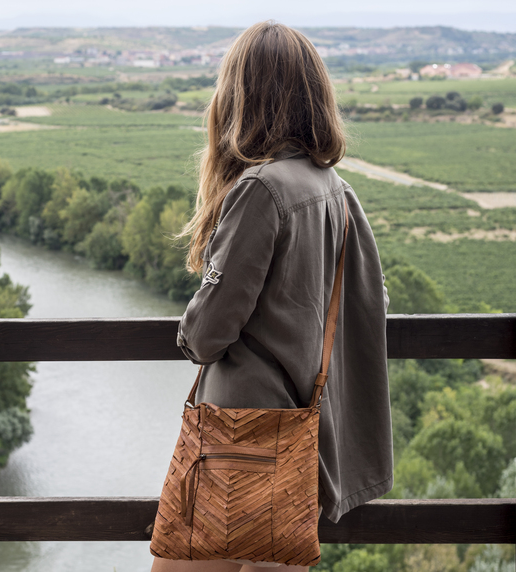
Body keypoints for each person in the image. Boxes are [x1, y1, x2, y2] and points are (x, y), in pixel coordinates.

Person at [151, 21, 393, 572]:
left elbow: (207, 333)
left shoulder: (262, 190)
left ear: (242, 97)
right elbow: (365, 306)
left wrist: (191, 322)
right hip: (302, 438)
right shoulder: (336, 190)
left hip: (241, 436)